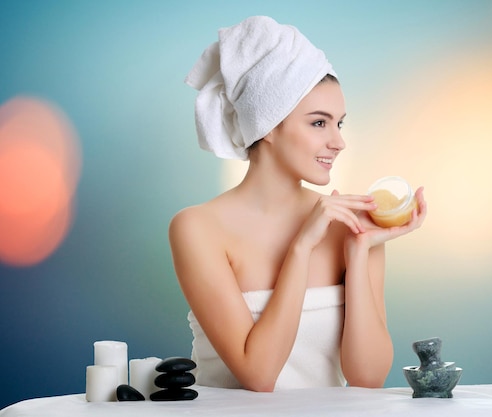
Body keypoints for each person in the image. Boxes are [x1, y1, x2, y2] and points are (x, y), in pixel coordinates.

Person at [168, 16, 427, 393]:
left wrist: (358, 253)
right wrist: (301, 248)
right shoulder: (197, 228)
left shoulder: (352, 225)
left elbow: (367, 377)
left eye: (340, 123)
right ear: (268, 125)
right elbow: (259, 375)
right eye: (319, 124)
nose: (339, 142)